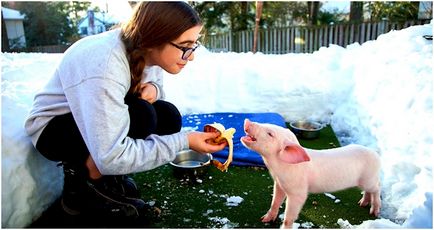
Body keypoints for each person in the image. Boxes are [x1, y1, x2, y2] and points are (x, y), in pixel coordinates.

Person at [24, 2, 226, 219]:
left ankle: (108, 178)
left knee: (167, 115)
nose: (191, 56)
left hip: (91, 118)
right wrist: (184, 141)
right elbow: (111, 156)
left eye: (194, 45)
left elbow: (153, 91)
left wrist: (154, 91)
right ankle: (83, 189)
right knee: (144, 115)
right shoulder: (105, 64)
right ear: (155, 38)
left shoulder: (143, 48)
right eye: (185, 46)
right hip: (54, 130)